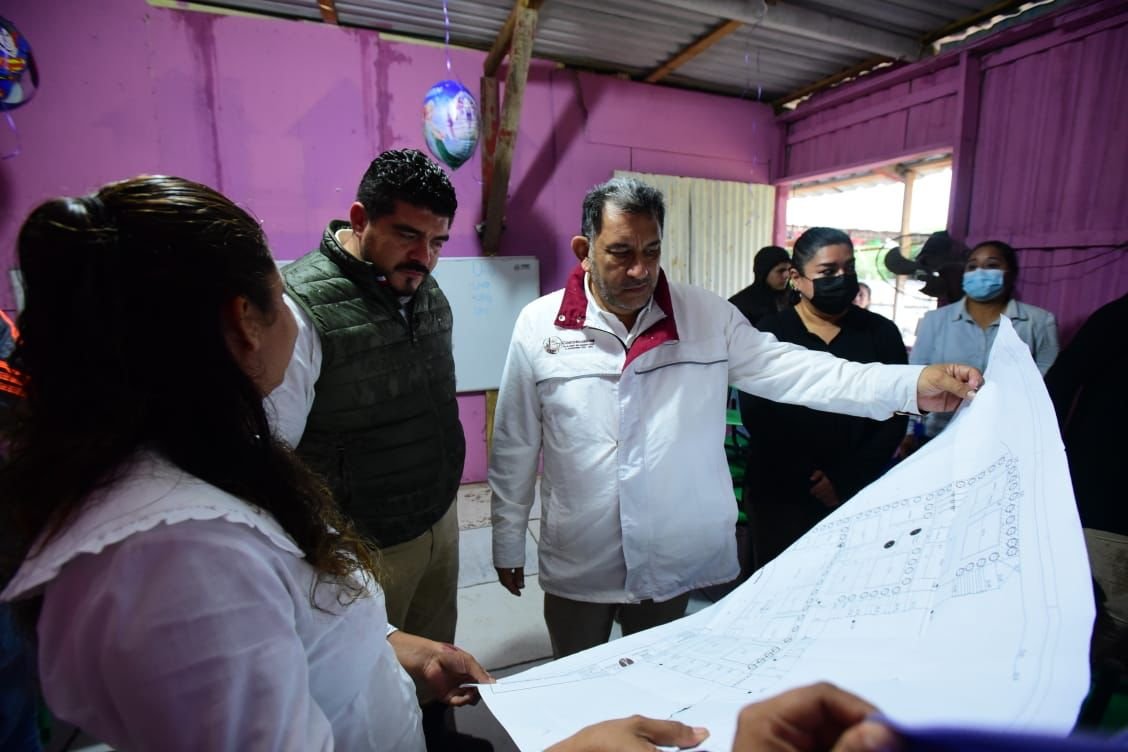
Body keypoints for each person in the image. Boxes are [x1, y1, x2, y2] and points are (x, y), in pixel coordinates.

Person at [0, 175, 490, 751]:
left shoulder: (206, 460)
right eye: (281, 297)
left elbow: (298, 615)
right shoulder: (181, 562)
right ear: (244, 322)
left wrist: (392, 646)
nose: (294, 312)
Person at [489, 176, 983, 658]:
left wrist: (910, 384)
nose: (641, 270)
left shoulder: (705, 317)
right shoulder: (540, 326)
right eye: (621, 252)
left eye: (652, 251)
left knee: (652, 676)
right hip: (583, 548)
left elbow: (802, 372)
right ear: (585, 249)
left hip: (669, 547)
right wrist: (508, 539)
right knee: (576, 679)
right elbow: (515, 441)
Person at [269, 149, 464, 645]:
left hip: (439, 518)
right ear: (360, 219)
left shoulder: (425, 288)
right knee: (377, 682)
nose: (425, 257)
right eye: (408, 235)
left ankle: (438, 725)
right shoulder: (300, 306)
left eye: (437, 241)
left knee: (439, 659)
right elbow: (274, 453)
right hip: (365, 547)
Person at [739, 228, 908, 571]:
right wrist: (810, 476)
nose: (842, 279)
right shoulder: (769, 333)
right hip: (781, 489)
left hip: (857, 486)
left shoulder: (880, 332)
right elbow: (758, 415)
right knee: (777, 587)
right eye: (828, 272)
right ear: (796, 279)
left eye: (849, 268)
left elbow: (895, 412)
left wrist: (845, 478)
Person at [908, 240, 1059, 444]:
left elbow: (1046, 384)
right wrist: (908, 431)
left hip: (1009, 436)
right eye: (972, 266)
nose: (979, 272)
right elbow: (915, 377)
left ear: (1012, 273)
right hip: (940, 435)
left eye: (992, 266)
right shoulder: (935, 321)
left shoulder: (1039, 322)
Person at [1045, 291, 1128, 537]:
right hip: (1102, 487)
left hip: (1098, 492)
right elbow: (1058, 387)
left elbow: (1059, 384)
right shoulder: (1117, 317)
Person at [729, 245, 791, 326]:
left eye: (789, 270)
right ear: (763, 273)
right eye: (780, 271)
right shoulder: (739, 305)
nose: (787, 275)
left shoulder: (792, 299)